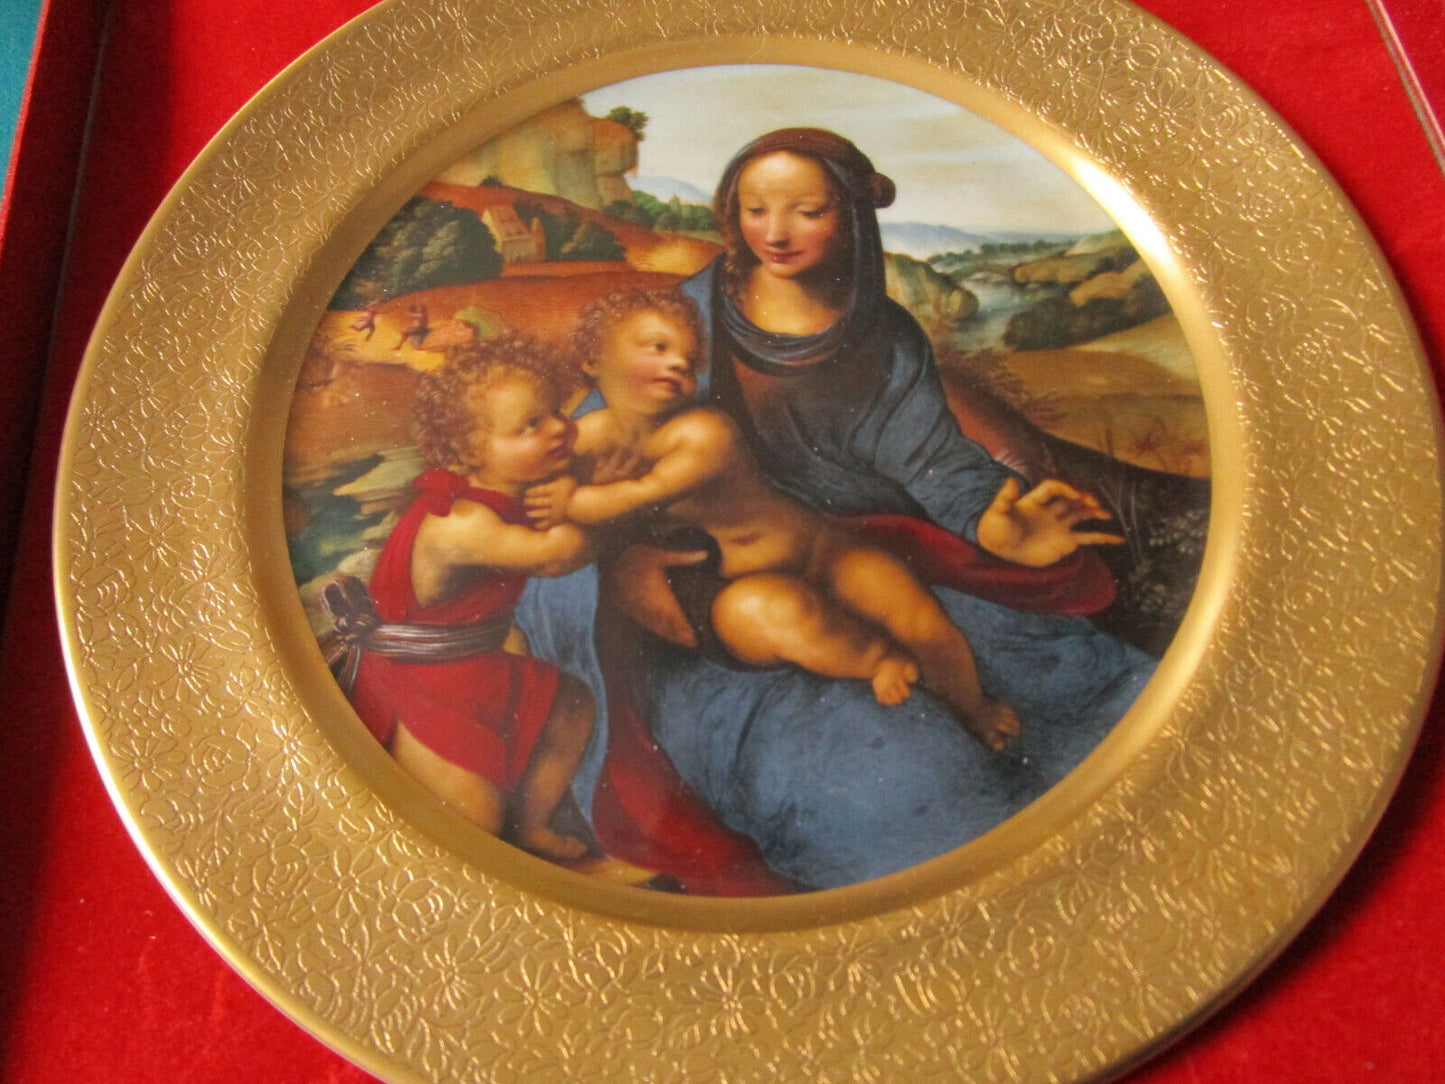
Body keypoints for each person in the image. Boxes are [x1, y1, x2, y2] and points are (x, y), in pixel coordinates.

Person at [515, 129, 1156, 891]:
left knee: (1047, 678)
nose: (776, 232)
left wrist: (997, 525)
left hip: (836, 547)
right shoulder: (680, 325)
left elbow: (932, 461)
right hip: (701, 614)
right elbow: (589, 454)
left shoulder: (880, 336)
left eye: (807, 211)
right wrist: (617, 563)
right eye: (755, 209)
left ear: (848, 216)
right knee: (892, 769)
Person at [527, 288, 1046, 749]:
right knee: (786, 615)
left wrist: (570, 499)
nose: (679, 364)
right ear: (593, 359)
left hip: (821, 554)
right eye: (657, 347)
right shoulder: (582, 440)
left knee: (916, 615)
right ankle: (877, 660)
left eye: (690, 358)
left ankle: (972, 706)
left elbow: (640, 494)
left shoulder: (704, 432)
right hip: (738, 585)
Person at [336, 335, 596, 861]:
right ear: (474, 451)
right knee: (473, 829)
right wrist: (590, 507)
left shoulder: (510, 495)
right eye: (530, 425)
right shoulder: (462, 520)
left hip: (475, 665)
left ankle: (534, 823)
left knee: (572, 704)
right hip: (417, 681)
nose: (557, 428)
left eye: (554, 411)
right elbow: (555, 556)